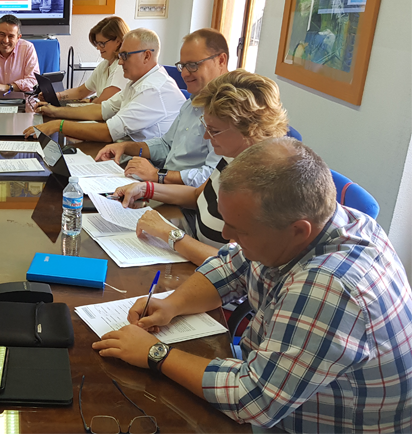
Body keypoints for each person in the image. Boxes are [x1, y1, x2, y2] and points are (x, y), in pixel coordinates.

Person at [93, 138, 412, 433]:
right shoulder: (315, 221)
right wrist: (172, 304)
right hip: (279, 388)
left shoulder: (332, 285)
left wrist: (155, 353)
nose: (229, 237)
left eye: (240, 231)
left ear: (298, 231)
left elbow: (253, 399)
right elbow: (232, 264)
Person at [112, 70, 288, 266]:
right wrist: (146, 188)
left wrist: (171, 235)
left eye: (213, 131)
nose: (206, 138)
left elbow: (236, 267)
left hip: (208, 267)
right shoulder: (234, 156)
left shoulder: (264, 184)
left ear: (249, 128)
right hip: (190, 245)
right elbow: (198, 195)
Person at [95, 28, 229, 187]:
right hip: (166, 185)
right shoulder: (193, 101)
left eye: (193, 65)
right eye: (183, 66)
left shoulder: (229, 111)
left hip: (186, 198)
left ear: (221, 60)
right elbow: (166, 145)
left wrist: (157, 175)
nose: (184, 74)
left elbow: (211, 178)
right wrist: (124, 147)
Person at [24, 28, 184, 143]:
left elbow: (109, 132)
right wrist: (56, 111)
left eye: (125, 56)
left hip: (149, 163)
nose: (120, 62)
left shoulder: (152, 89)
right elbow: (101, 110)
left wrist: (58, 125)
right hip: (130, 149)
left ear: (147, 56)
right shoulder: (137, 83)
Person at [40, 16, 129, 104]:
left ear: (118, 41)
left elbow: (102, 104)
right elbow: (80, 92)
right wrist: (55, 96)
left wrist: (90, 101)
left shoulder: (122, 67)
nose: (98, 48)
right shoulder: (104, 65)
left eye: (102, 43)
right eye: (97, 43)